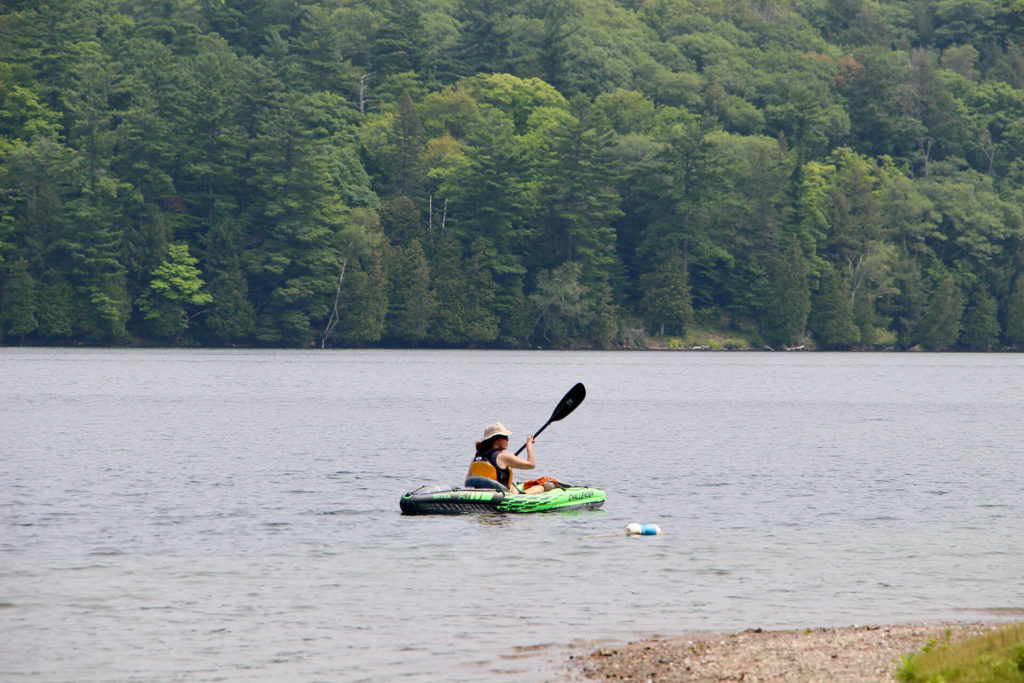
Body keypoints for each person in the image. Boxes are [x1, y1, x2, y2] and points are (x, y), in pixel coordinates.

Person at [465, 422, 557, 494]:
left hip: (483, 496)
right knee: (543, 486)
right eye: (505, 437)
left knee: (511, 485)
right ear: (495, 440)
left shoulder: (475, 458)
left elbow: (468, 481)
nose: (508, 440)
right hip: (505, 497)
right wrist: (529, 446)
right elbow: (531, 465)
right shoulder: (504, 456)